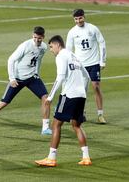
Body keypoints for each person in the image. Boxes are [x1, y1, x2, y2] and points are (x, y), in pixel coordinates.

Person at [0, 26, 52, 135]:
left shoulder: (43, 47)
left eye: (39, 38)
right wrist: (12, 78)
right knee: (4, 102)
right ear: (32, 36)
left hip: (32, 78)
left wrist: (37, 73)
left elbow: (38, 61)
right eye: (35, 37)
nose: (36, 40)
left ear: (43, 37)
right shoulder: (25, 46)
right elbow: (11, 60)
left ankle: (45, 128)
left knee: (46, 98)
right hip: (18, 79)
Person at [35, 35, 92, 167]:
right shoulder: (74, 56)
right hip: (80, 95)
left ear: (58, 45)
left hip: (69, 95)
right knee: (76, 125)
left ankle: (51, 158)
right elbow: (87, 77)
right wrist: (83, 93)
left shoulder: (61, 56)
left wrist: (50, 97)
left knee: (56, 125)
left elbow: (60, 77)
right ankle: (86, 157)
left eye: (51, 47)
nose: (50, 50)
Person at [66, 9, 107, 124]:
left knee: (96, 87)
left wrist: (102, 61)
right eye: (76, 19)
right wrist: (70, 64)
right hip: (80, 65)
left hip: (94, 63)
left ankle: (100, 115)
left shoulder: (92, 28)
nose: (78, 21)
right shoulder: (72, 32)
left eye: (80, 18)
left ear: (84, 17)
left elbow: (102, 43)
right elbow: (68, 50)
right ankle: (81, 113)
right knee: (81, 90)